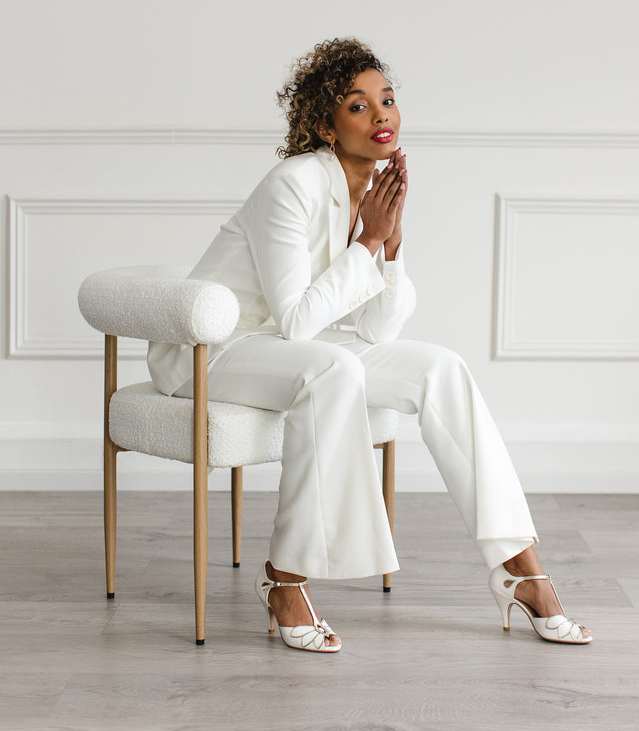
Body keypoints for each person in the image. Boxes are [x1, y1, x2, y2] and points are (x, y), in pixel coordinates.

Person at [148, 38, 592, 652]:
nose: (381, 114)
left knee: (441, 368)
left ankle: (520, 568)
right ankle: (284, 578)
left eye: (387, 99)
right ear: (326, 127)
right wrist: (368, 243)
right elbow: (297, 321)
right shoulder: (292, 184)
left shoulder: (373, 191)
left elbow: (375, 331)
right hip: (214, 348)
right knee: (331, 369)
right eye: (358, 106)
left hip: (293, 347)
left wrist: (390, 247)